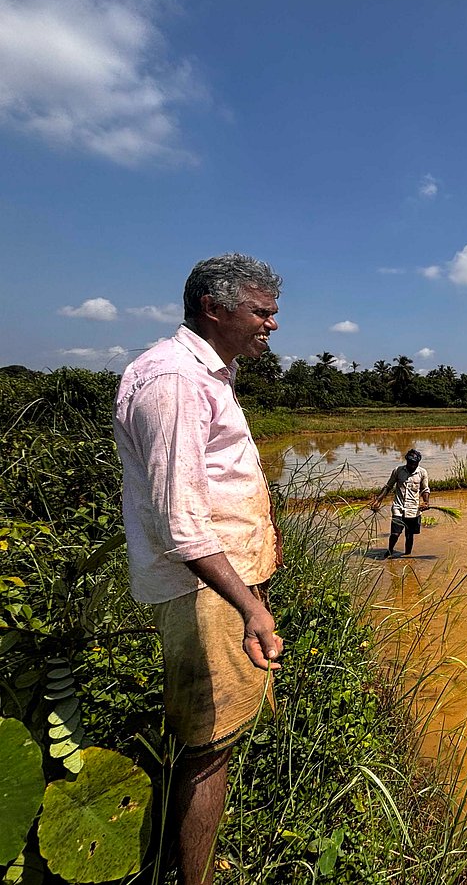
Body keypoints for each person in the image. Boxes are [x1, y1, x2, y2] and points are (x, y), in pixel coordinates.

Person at [113, 253, 284, 885]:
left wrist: (267, 538)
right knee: (209, 748)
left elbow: (218, 483)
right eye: (261, 312)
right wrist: (251, 605)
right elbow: (178, 522)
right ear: (214, 308)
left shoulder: (210, 376)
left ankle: (188, 862)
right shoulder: (174, 379)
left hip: (224, 583)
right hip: (206, 590)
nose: (271, 325)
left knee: (217, 739)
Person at [369, 448, 430, 557]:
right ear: (407, 461)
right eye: (410, 463)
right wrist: (379, 499)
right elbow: (388, 486)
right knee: (395, 534)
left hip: (413, 509)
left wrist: (426, 502)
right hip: (399, 507)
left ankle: (407, 555)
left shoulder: (422, 473)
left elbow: (425, 489)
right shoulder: (398, 471)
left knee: (410, 535)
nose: (412, 466)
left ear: (418, 463)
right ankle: (390, 550)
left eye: (414, 464)